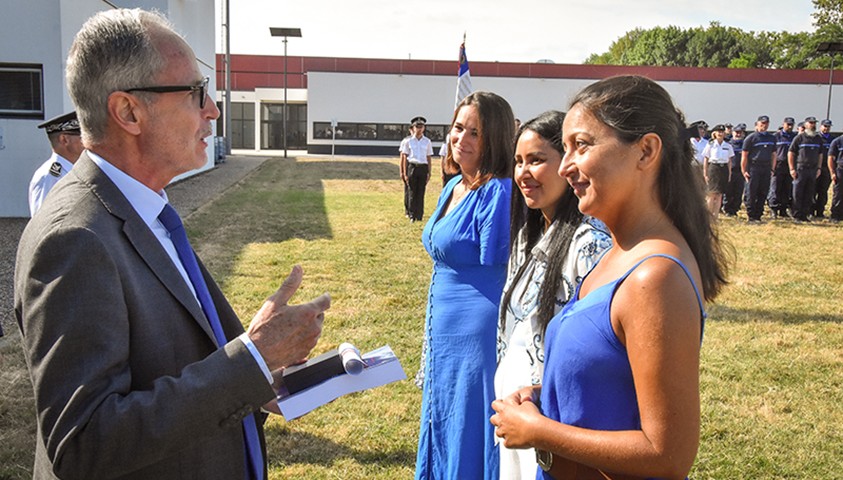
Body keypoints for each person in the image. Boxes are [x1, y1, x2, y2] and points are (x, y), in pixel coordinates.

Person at [14, 9, 331, 479]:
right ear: (128, 112)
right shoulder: (75, 238)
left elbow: (176, 365)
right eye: (195, 93)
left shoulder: (145, 209)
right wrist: (253, 358)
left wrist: (260, 378)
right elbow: (85, 444)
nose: (214, 110)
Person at [490, 75, 730, 480]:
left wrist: (540, 431)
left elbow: (666, 455)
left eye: (581, 146)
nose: (565, 167)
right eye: (564, 149)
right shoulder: (617, 254)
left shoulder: (655, 277)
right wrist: (544, 397)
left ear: (646, 151)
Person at [495, 111, 611, 479]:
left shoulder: (590, 244)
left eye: (536, 160)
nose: (523, 173)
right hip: (515, 414)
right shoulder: (526, 238)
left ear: (566, 165)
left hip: (551, 421)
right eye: (518, 162)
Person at [415, 91, 515, 480]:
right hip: (443, 322)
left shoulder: (498, 191)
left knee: (469, 420)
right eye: (459, 128)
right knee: (442, 412)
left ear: (496, 139)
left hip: (477, 329)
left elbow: (500, 265)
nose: (462, 139)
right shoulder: (453, 185)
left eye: (476, 132)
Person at [28, 111, 85, 215]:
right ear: (64, 139)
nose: (87, 141)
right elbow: (42, 221)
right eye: (82, 136)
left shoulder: (77, 170)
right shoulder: (49, 177)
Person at [789, 116, 824, 222]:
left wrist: (819, 168)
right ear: (805, 124)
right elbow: (791, 153)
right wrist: (792, 169)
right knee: (798, 192)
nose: (813, 125)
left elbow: (820, 154)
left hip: (813, 169)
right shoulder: (799, 138)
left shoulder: (818, 138)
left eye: (814, 123)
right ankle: (796, 215)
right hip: (801, 168)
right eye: (810, 123)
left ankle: (804, 214)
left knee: (809, 193)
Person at [741, 115, 776, 223]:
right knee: (752, 191)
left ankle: (758, 215)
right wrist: (744, 170)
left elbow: (774, 154)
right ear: (757, 124)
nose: (764, 126)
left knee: (763, 191)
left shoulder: (771, 138)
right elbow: (744, 156)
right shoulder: (751, 138)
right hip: (754, 167)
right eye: (762, 124)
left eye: (766, 124)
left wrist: (772, 169)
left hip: (766, 167)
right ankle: (751, 215)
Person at [400, 116, 433, 222]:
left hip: (422, 167)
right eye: (417, 126)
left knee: (421, 192)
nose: (419, 129)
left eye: (421, 126)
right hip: (412, 166)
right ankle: (411, 214)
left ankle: (419, 215)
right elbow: (404, 157)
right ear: (413, 128)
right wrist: (404, 172)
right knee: (412, 191)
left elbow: (428, 157)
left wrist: (429, 172)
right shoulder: (408, 141)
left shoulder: (427, 142)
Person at [702, 124, 734, 217]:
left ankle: (715, 215)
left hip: (723, 168)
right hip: (713, 168)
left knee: (719, 194)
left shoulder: (727, 145)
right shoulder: (710, 145)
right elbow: (706, 159)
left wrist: (729, 173)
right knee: (711, 193)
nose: (720, 133)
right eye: (718, 132)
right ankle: (708, 215)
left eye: (722, 132)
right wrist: (705, 172)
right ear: (714, 133)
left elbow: (729, 161)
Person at [768, 117, 796, 218]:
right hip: (778, 165)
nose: (789, 126)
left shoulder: (794, 137)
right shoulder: (776, 136)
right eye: (788, 124)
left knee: (786, 188)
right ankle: (774, 209)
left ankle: (783, 209)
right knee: (775, 188)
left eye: (791, 124)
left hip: (789, 165)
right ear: (783, 124)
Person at [723, 123, 746, 217]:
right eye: (736, 132)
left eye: (740, 133)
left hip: (740, 171)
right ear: (732, 133)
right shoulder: (728, 144)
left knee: (738, 192)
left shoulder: (745, 144)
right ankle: (728, 209)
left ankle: (735, 209)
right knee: (728, 191)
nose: (738, 134)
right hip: (730, 171)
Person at [812, 119, 834, 219]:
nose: (826, 128)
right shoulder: (816, 138)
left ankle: (820, 212)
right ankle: (811, 211)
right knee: (813, 190)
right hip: (816, 168)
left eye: (828, 126)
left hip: (827, 168)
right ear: (821, 126)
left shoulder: (832, 140)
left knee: (823, 191)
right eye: (825, 126)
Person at [829, 132, 843, 222]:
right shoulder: (837, 141)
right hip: (840, 170)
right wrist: (832, 172)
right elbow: (830, 158)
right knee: (838, 193)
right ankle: (835, 215)